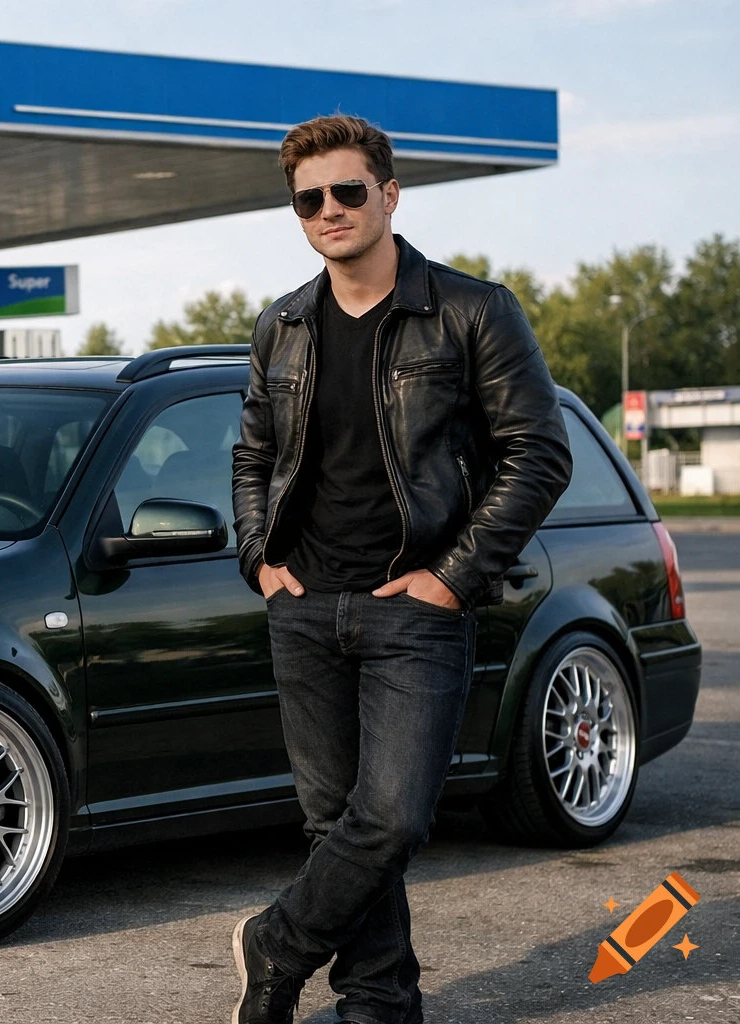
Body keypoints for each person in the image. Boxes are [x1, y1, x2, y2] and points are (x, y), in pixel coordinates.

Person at [228, 114, 573, 1024]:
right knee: (335, 825)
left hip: (415, 608)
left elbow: (538, 452)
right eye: (311, 199)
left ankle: (276, 945)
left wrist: (453, 577)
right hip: (304, 605)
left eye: (348, 191)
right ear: (297, 212)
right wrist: (260, 560)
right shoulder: (283, 325)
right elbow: (253, 455)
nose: (330, 210)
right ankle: (377, 1001)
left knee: (391, 822)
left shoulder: (471, 311)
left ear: (388, 194)